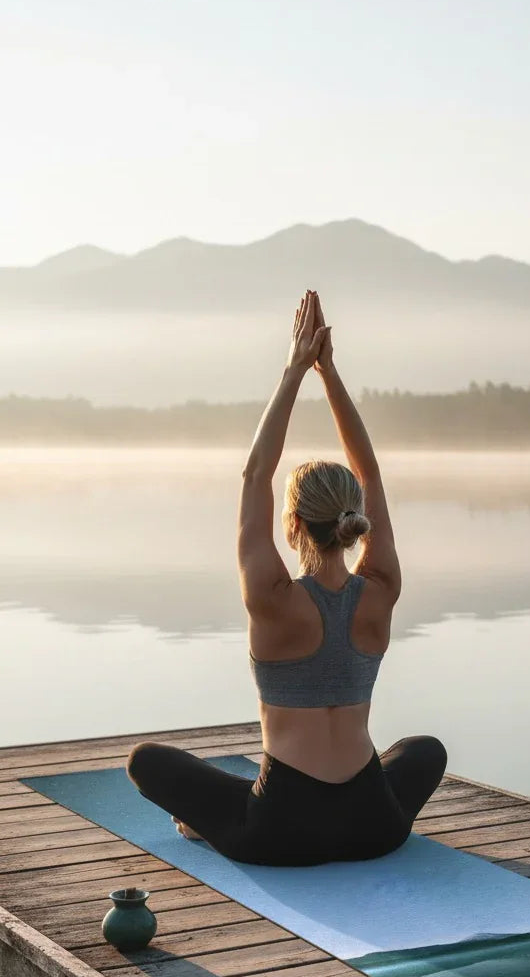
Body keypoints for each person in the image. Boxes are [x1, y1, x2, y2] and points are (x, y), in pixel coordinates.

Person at [126, 290, 447, 865]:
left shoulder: (274, 600)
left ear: (293, 523)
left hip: (279, 834)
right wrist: (329, 373)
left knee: (146, 761)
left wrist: (295, 367)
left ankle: (208, 825)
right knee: (425, 750)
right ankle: (242, 817)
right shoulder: (380, 589)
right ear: (359, 517)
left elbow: (256, 474)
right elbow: (369, 469)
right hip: (376, 825)